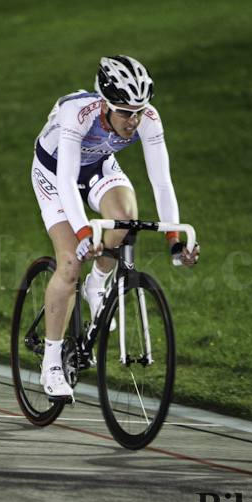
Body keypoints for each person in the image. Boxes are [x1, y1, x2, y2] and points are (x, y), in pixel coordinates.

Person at [31, 55, 199, 400]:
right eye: (124, 112)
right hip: (54, 173)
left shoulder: (148, 119)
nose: (133, 120)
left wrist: (174, 240)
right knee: (70, 263)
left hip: (97, 166)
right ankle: (51, 363)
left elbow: (162, 183)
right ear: (104, 104)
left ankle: (98, 283)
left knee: (125, 217)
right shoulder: (78, 114)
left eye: (139, 111)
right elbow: (66, 179)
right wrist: (83, 234)